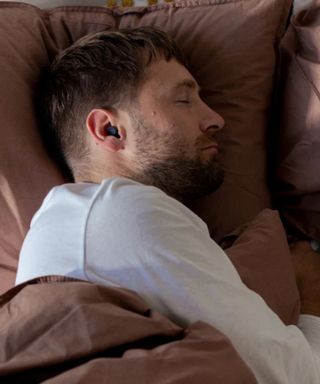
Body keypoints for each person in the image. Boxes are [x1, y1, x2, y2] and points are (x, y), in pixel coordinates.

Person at [16, 27, 320, 383]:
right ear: (109, 129)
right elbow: (289, 374)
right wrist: (310, 291)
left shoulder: (73, 222)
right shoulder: (123, 210)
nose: (216, 119)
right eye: (183, 99)